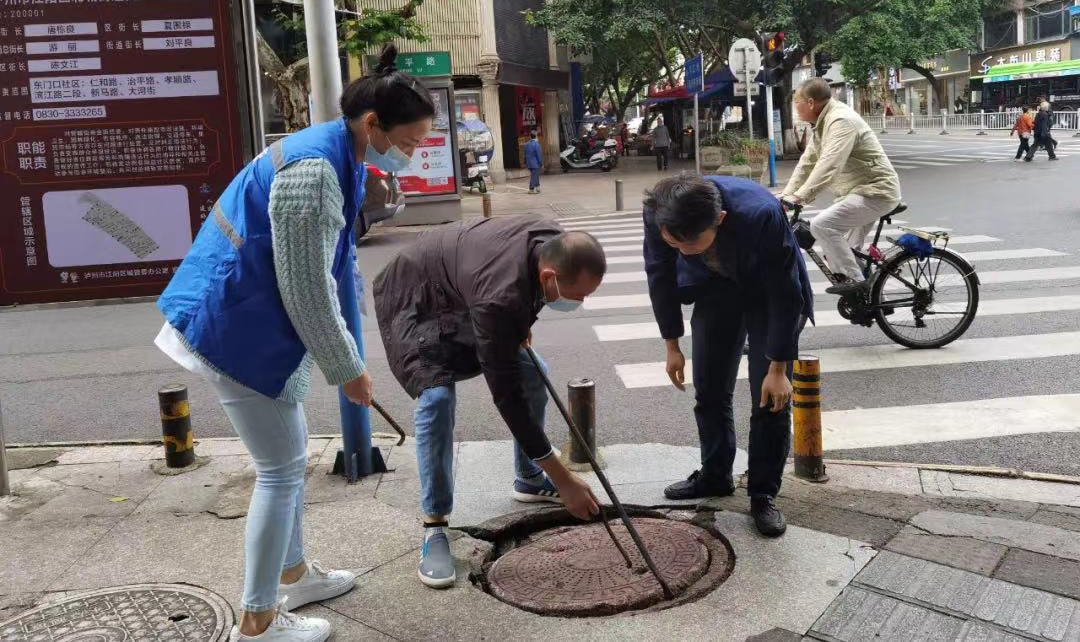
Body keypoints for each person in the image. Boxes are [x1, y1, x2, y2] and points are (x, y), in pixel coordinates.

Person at [155, 45, 434, 642]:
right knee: (279, 471)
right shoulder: (313, 172)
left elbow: (326, 266)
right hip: (233, 328)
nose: (411, 153)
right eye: (409, 141)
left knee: (288, 456)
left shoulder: (342, 149)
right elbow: (305, 289)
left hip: (247, 317)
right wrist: (347, 368)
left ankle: (296, 573)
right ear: (372, 124)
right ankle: (258, 620)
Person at [373, 218, 606, 589]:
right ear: (549, 277)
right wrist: (564, 479)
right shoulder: (500, 298)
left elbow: (523, 297)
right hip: (412, 295)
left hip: (464, 287)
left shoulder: (549, 239)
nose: (580, 302)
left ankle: (528, 478)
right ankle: (434, 526)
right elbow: (506, 396)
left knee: (534, 369)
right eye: (577, 296)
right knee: (436, 398)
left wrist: (523, 320)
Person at [643, 173, 813, 537]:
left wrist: (778, 367)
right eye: (675, 243)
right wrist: (671, 345)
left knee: (770, 398)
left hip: (767, 291)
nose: (682, 251)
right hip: (714, 290)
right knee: (709, 387)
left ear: (719, 221)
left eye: (692, 244)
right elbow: (659, 273)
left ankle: (763, 493)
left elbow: (786, 292)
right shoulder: (659, 211)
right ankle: (715, 475)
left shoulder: (760, 214)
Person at [781, 78, 901, 296]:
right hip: (857, 192)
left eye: (796, 102)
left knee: (822, 226)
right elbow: (807, 163)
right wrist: (787, 195)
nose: (795, 108)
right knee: (849, 251)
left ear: (809, 102)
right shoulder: (822, 122)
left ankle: (855, 285)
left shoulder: (840, 121)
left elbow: (829, 164)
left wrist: (800, 198)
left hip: (875, 192)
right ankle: (873, 300)